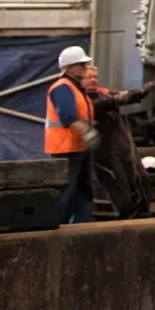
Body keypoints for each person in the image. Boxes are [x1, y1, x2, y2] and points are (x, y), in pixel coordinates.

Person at [82, 64, 151, 220]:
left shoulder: (102, 92)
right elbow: (110, 102)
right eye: (89, 77)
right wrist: (128, 97)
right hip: (104, 151)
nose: (93, 80)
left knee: (140, 179)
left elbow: (119, 96)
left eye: (95, 77)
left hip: (123, 147)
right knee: (119, 185)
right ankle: (126, 215)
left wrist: (139, 93)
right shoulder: (83, 99)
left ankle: (142, 212)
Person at [44, 45, 98, 224]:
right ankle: (59, 228)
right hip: (65, 148)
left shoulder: (76, 88)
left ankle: (80, 228)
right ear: (70, 67)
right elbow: (67, 117)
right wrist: (87, 132)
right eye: (81, 64)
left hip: (78, 147)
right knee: (67, 192)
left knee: (83, 190)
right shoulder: (62, 88)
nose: (85, 67)